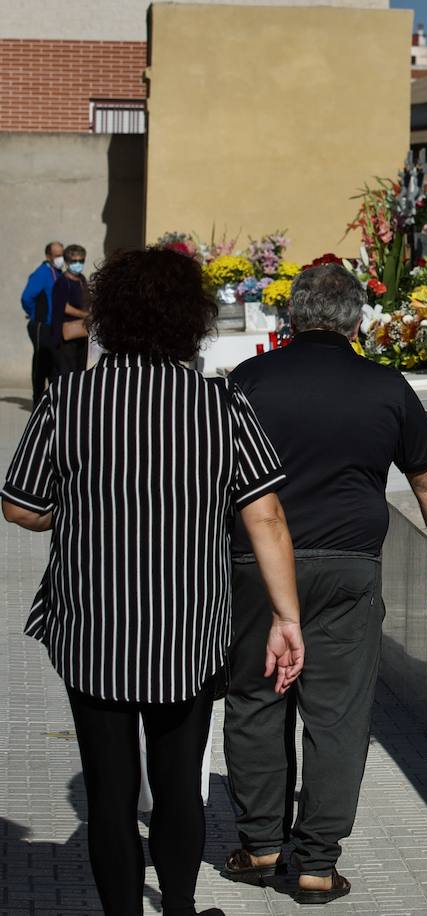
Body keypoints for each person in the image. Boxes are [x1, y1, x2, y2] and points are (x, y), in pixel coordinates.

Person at [1, 247, 306, 916]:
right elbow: (267, 515)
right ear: (188, 322)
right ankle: (176, 909)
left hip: (91, 625)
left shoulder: (67, 399)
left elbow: (19, 504)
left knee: (110, 796)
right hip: (187, 628)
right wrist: (287, 618)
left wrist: (71, 511)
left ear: (112, 316)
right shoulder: (218, 405)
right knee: (176, 788)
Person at [222, 262, 427, 904]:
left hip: (254, 567)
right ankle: (315, 864)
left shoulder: (247, 381)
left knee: (256, 696)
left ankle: (261, 844)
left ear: (291, 317)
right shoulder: (384, 386)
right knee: (338, 712)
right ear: (358, 322)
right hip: (350, 567)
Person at [20, 240, 63, 404]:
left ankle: (51, 400)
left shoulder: (57, 272)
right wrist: (35, 314)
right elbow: (26, 297)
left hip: (53, 326)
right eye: (57, 255)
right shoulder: (42, 273)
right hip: (41, 326)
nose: (61, 258)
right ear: (48, 256)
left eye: (61, 254)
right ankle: (37, 400)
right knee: (40, 363)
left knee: (53, 363)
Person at [49, 243, 91, 378]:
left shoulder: (82, 279)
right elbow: (63, 307)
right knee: (67, 372)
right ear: (67, 262)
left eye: (81, 260)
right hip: (66, 335)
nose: (78, 264)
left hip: (81, 332)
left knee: (80, 370)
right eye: (74, 261)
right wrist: (85, 314)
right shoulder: (62, 282)